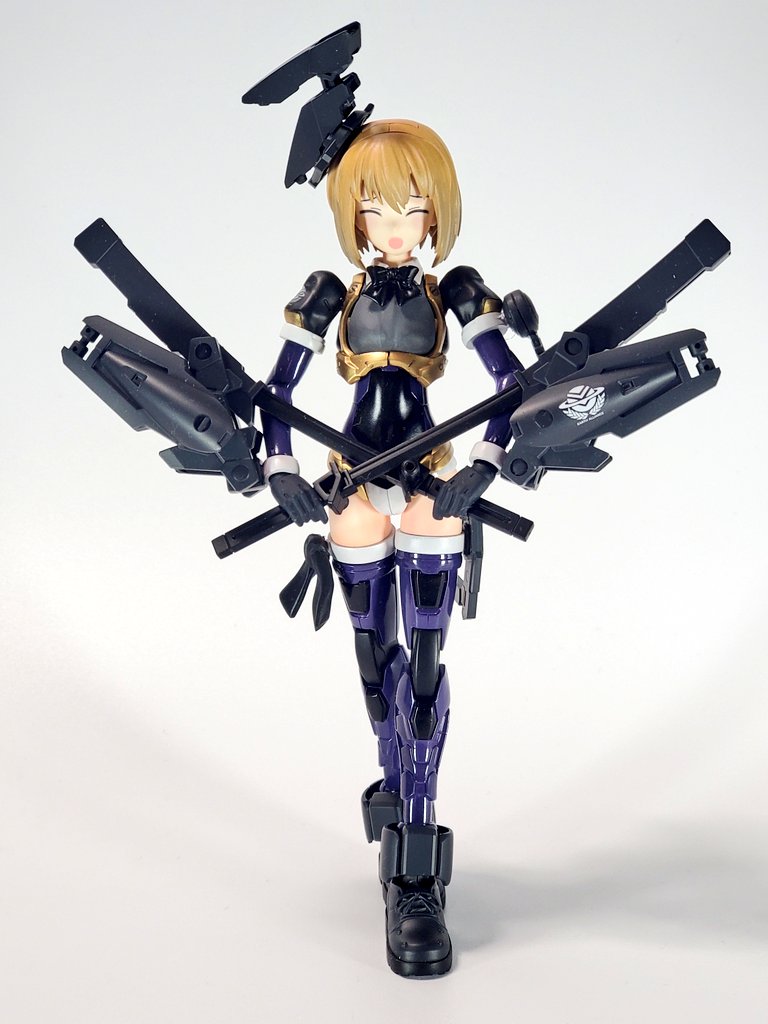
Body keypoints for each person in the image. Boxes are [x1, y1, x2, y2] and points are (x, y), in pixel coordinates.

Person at [261, 119, 522, 977]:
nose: (396, 225)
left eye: (411, 208)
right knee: (377, 664)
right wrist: (281, 468)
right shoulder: (328, 294)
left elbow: (511, 385)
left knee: (425, 672)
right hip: (350, 481)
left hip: (431, 481)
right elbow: (275, 390)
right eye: (376, 208)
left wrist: (483, 464)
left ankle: (417, 858)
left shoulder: (456, 292)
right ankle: (392, 773)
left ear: (435, 212)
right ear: (354, 215)